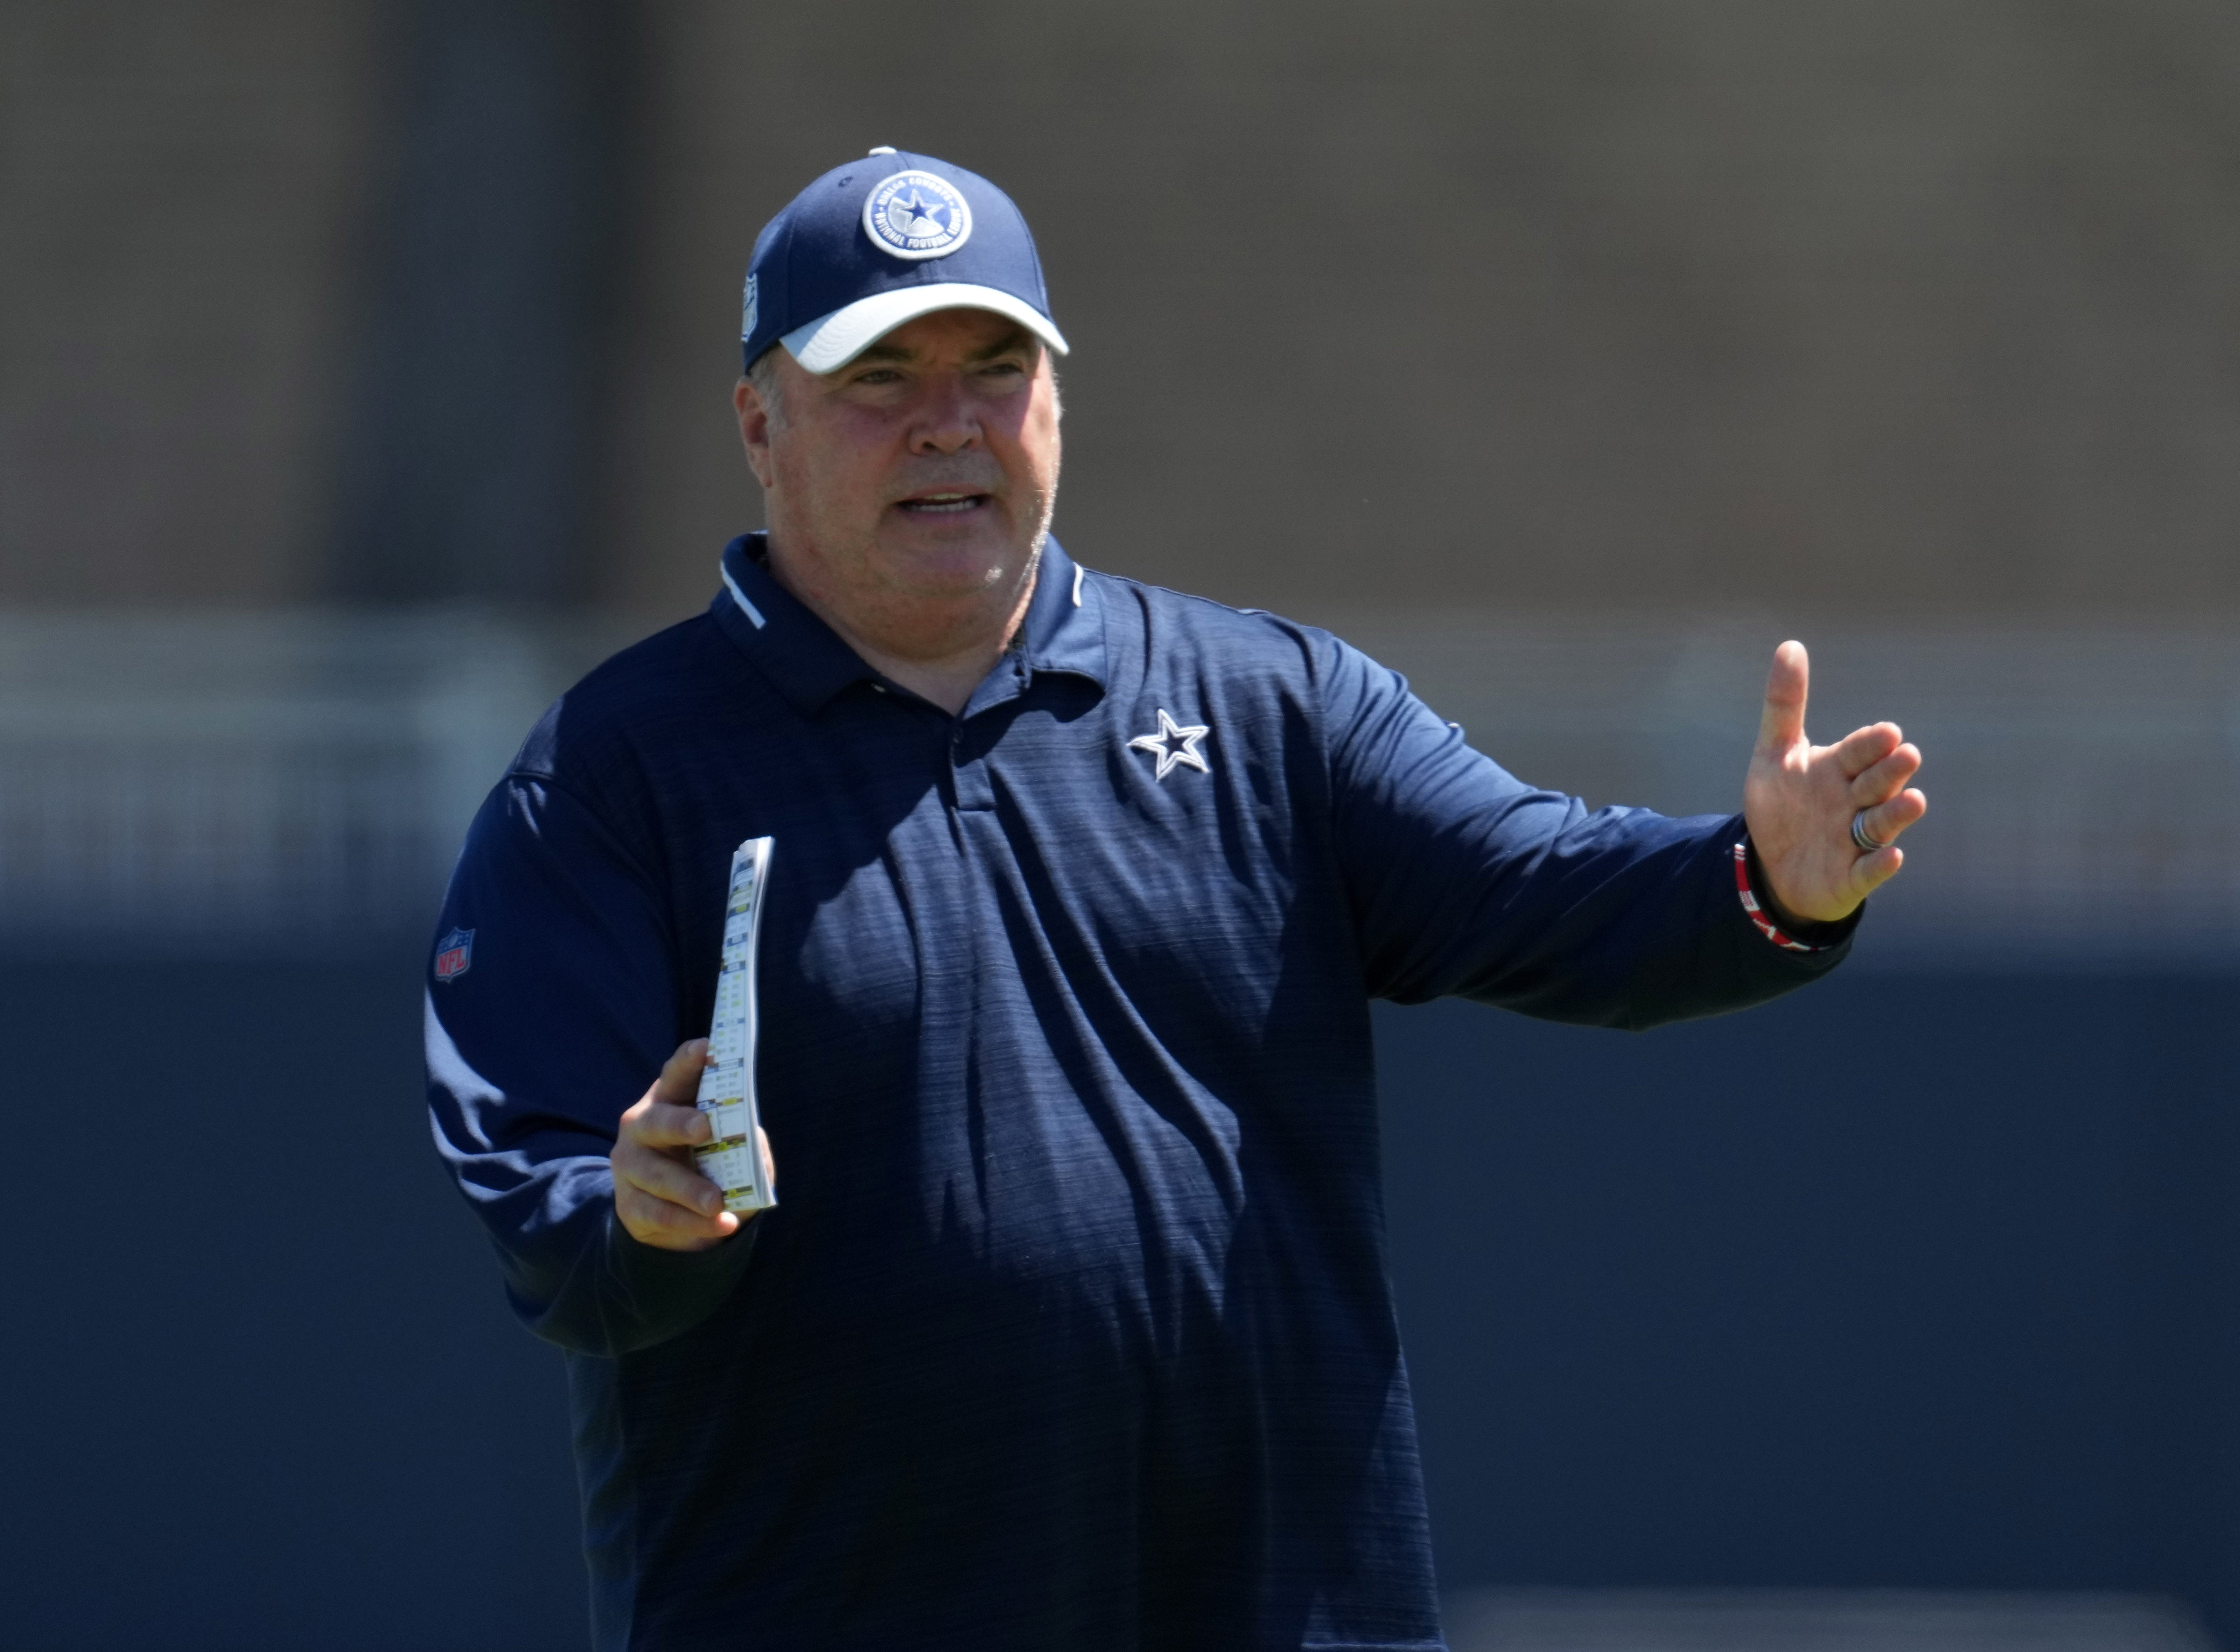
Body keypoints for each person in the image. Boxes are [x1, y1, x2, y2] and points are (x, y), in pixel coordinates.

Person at [425, 149, 1927, 1650]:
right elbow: (541, 1193)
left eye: (996, 364)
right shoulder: (615, 775)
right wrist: (641, 1210)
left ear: (1057, 404)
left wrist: (1764, 879)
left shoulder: (1269, 700)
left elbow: (1545, 886)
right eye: (881, 374)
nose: (950, 420)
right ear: (761, 424)